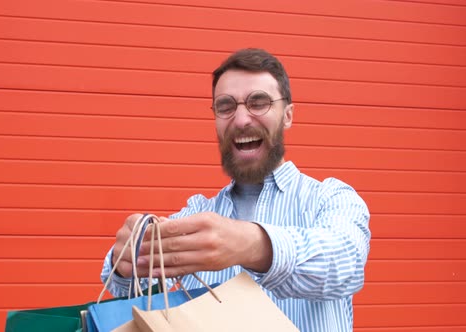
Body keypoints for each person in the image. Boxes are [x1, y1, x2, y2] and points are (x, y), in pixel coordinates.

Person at [100, 48, 370, 331]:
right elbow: (138, 291)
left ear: (288, 116)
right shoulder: (197, 212)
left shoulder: (331, 199)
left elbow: (346, 264)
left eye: (259, 102)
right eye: (226, 106)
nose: (241, 120)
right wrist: (128, 263)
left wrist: (252, 245)